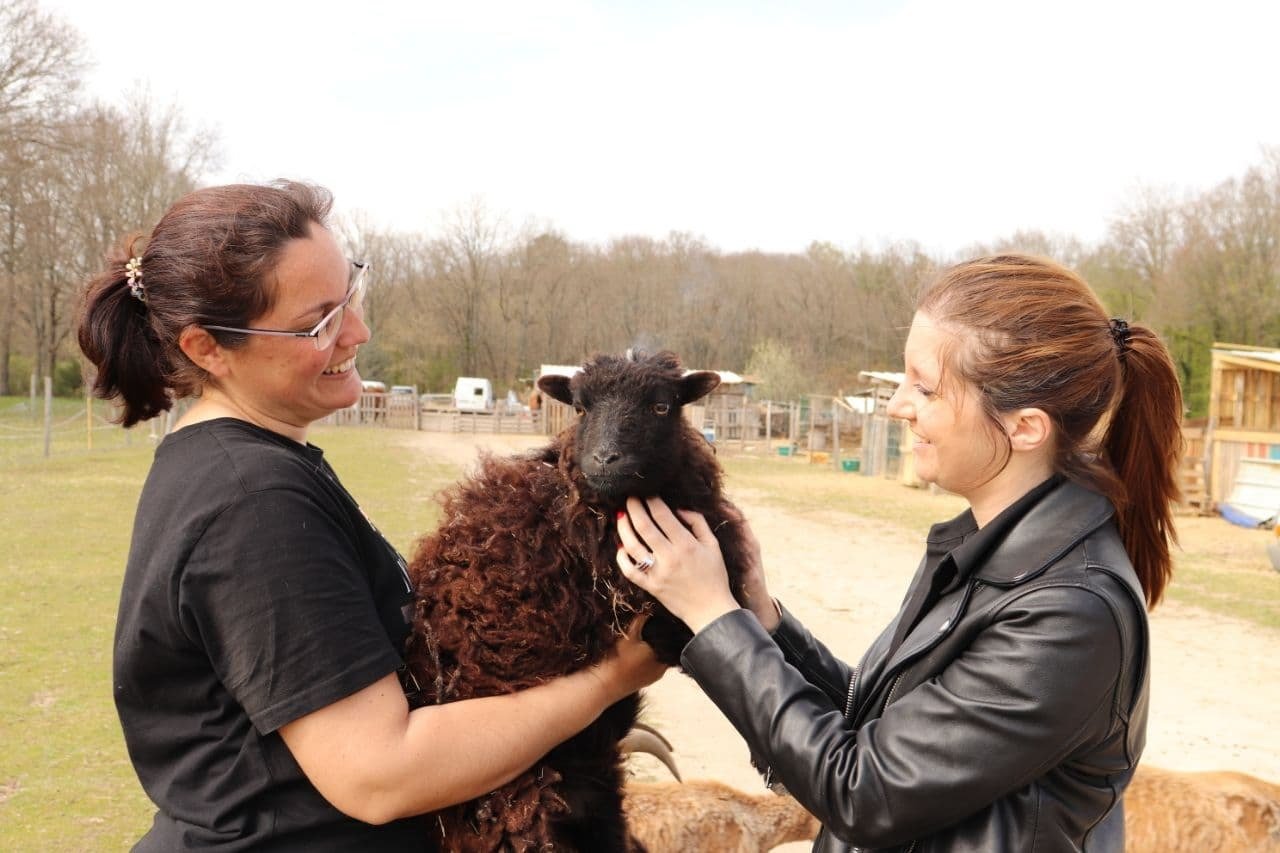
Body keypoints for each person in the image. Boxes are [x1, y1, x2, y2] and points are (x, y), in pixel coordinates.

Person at [77, 181, 664, 852]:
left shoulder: (244, 465)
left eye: (352, 293)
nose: (359, 331)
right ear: (208, 348)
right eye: (319, 322)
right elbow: (380, 772)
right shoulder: (253, 504)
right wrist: (612, 677)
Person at [616, 254, 1183, 852]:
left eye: (926, 387)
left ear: (1025, 427)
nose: (896, 405)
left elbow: (864, 791)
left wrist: (712, 617)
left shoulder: (1070, 612)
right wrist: (762, 621)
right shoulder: (991, 551)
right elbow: (883, 735)